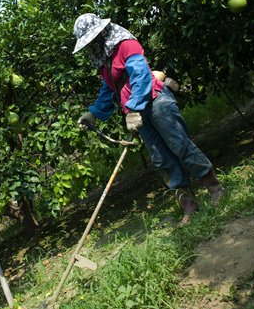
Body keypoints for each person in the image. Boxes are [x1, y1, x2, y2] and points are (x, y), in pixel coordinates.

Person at [73, 13, 224, 226]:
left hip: (155, 102)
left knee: (180, 146)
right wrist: (94, 113)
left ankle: (216, 190)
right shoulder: (103, 59)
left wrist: (133, 109)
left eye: (93, 38)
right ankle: (190, 208)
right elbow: (110, 88)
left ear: (102, 32)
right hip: (136, 113)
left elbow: (141, 76)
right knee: (161, 158)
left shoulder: (125, 44)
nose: (92, 43)